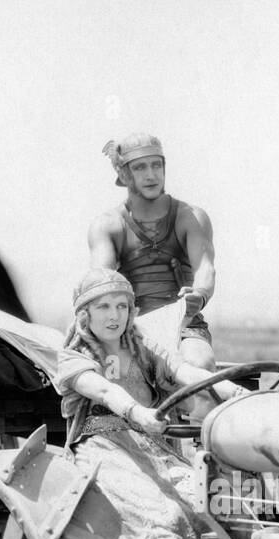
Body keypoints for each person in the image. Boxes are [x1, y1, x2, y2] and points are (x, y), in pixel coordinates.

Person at [52, 268, 246, 539]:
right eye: (103, 306)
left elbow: (182, 371)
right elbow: (102, 388)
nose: (115, 314)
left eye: (122, 305)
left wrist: (227, 385)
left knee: (211, 502)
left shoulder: (141, 348)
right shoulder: (73, 358)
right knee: (164, 516)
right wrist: (136, 411)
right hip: (104, 448)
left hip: (153, 444)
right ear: (83, 314)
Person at [88, 133, 218, 371]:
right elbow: (101, 284)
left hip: (185, 327)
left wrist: (199, 295)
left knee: (200, 364)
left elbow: (206, 268)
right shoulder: (108, 225)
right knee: (106, 375)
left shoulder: (190, 217)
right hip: (130, 329)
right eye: (140, 167)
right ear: (124, 175)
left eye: (157, 165)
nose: (151, 175)